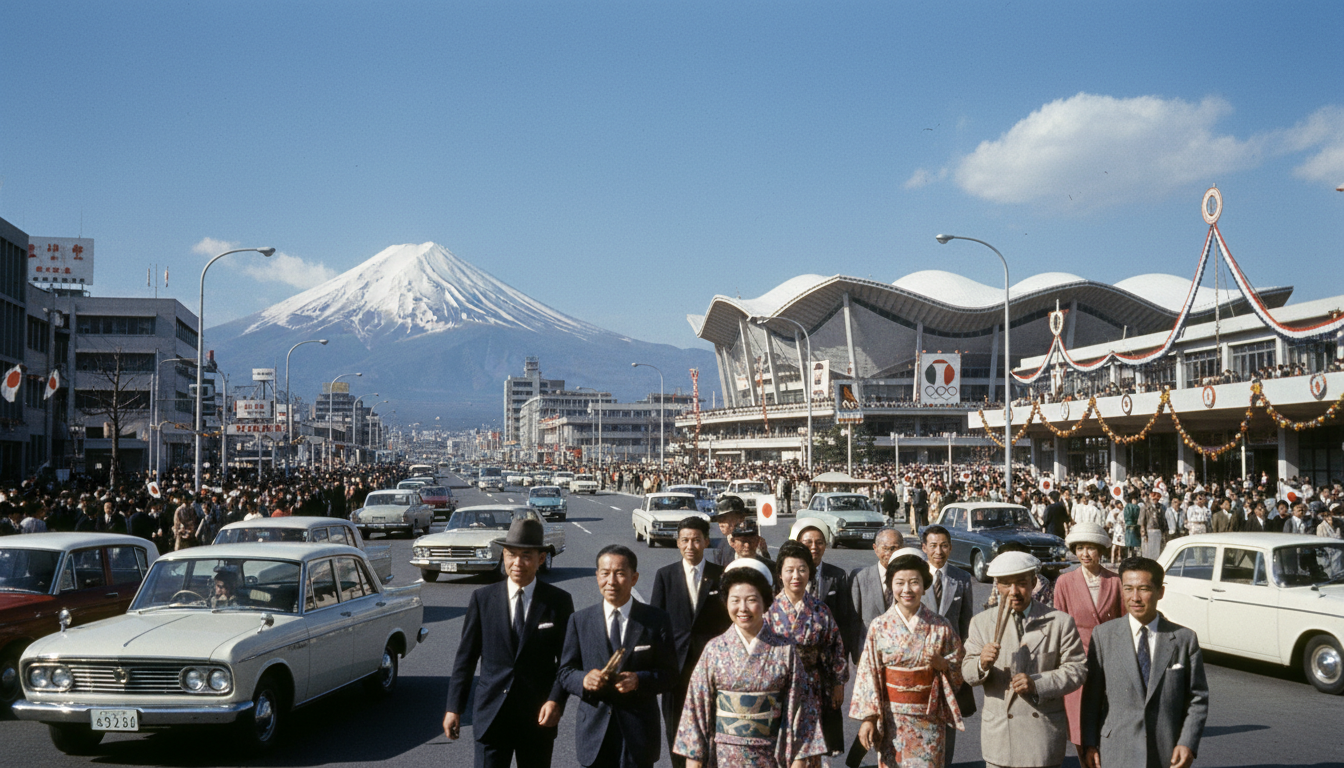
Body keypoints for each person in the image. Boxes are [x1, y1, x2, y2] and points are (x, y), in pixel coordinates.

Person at [444, 517, 575, 768]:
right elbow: (466, 657)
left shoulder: (558, 601)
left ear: (541, 559)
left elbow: (567, 660)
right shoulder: (483, 599)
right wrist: (454, 707)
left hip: (538, 717)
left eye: (526, 555)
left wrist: (556, 700)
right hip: (491, 716)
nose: (517, 563)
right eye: (511, 554)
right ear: (503, 556)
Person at [673, 559, 825, 767]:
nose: (742, 608)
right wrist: (694, 760)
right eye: (735, 600)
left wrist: (798, 761)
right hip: (724, 756)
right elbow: (696, 709)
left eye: (751, 600)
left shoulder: (784, 650)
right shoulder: (714, 649)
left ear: (765, 602)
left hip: (770, 755)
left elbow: (802, 710)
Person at [1081, 557, 1209, 768]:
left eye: (1144, 589)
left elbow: (1197, 698)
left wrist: (1187, 742)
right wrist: (1090, 744)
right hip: (1115, 750)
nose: (1135, 598)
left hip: (1166, 751)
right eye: (1128, 589)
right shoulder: (1104, 636)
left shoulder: (1184, 639)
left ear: (1160, 592)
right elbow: (1091, 698)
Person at [962, 552, 1087, 768]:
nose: (1014, 592)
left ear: (1033, 582)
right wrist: (981, 663)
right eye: (1005, 584)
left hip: (1042, 738)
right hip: (1000, 740)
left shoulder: (1059, 622)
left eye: (1021, 583)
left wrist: (1037, 683)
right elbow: (967, 672)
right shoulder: (981, 623)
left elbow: (1077, 670)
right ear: (997, 585)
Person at [558, 545, 677, 768]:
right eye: (605, 573)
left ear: (634, 578)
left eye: (620, 573)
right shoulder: (580, 620)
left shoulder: (656, 620)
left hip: (638, 737)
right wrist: (583, 680)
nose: (611, 581)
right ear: (597, 576)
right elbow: (565, 672)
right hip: (594, 736)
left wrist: (640, 680)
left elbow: (670, 674)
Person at [851, 553, 965, 768]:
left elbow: (959, 668)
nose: (907, 590)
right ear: (891, 586)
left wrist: (944, 665)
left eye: (914, 582)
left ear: (924, 586)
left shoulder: (941, 625)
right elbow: (868, 673)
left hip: (928, 719)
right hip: (891, 717)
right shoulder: (879, 626)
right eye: (900, 583)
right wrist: (869, 719)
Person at [649, 517, 730, 768]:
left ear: (706, 541)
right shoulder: (665, 576)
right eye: (685, 540)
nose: (691, 545)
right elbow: (655, 623)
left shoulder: (720, 575)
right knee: (676, 731)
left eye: (696, 539)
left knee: (712, 729)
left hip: (711, 667)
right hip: (676, 668)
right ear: (678, 543)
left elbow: (729, 622)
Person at [767, 541, 848, 757]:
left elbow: (835, 648)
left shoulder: (820, 610)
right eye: (790, 570)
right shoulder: (768, 610)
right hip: (776, 687)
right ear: (780, 574)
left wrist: (838, 683)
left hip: (813, 686)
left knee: (808, 749)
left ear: (810, 573)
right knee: (776, 747)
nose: (796, 576)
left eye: (802, 569)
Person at [1053, 522, 1123, 760]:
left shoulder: (1115, 582)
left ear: (1101, 551)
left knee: (1107, 724)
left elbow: (1124, 624)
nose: (1085, 554)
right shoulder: (1064, 582)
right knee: (1080, 727)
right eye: (1080, 548)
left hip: (1109, 662)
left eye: (1090, 548)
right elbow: (1059, 625)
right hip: (1076, 662)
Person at [920, 524, 977, 764]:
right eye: (933, 545)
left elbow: (966, 623)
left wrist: (963, 660)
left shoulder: (962, 578)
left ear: (951, 548)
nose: (938, 551)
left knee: (949, 717)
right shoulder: (915, 577)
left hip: (950, 663)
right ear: (924, 548)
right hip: (921, 661)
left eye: (944, 545)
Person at [789, 517, 854, 638]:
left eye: (819, 542)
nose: (814, 547)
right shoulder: (788, 575)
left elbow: (844, 619)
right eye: (808, 542)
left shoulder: (837, 576)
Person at [849, 527, 904, 663]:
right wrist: (857, 656)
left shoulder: (910, 580)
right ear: (875, 548)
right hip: (869, 653)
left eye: (894, 548)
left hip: (901, 655)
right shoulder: (860, 577)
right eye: (885, 548)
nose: (890, 553)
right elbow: (854, 622)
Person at [708, 496, 748, 566]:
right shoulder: (722, 544)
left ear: (740, 518)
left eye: (724, 519)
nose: (720, 524)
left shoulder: (750, 544)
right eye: (718, 520)